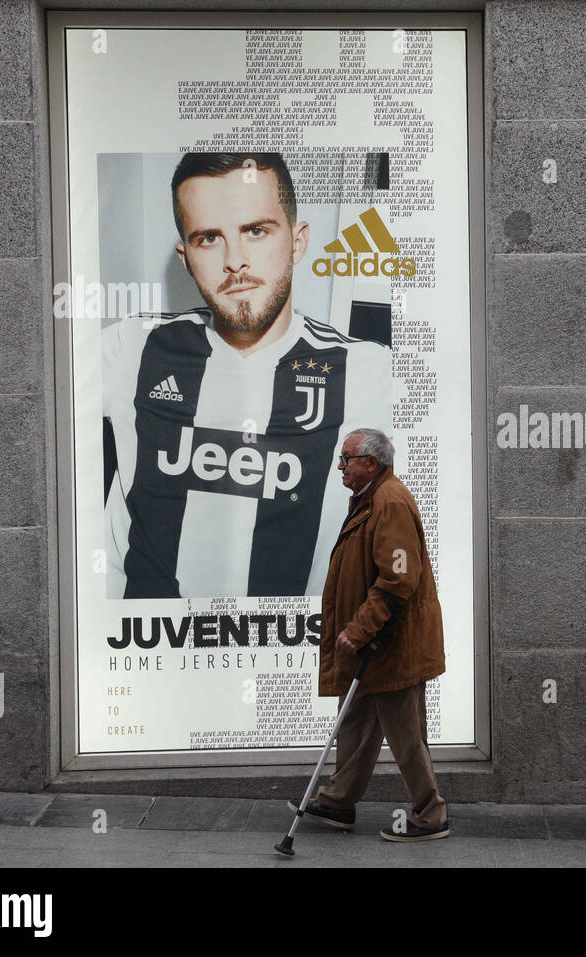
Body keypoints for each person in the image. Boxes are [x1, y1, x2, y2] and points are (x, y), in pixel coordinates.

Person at [102, 152, 391, 598]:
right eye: (209, 238)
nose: (235, 260)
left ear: (297, 242)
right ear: (185, 257)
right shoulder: (131, 347)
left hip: (293, 653)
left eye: (256, 231)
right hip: (150, 652)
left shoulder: (369, 372)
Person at [290, 428, 449, 842]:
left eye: (346, 458)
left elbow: (398, 578)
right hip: (373, 643)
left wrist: (360, 629)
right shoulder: (369, 500)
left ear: (372, 464)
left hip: (392, 643)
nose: (340, 466)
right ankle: (339, 802)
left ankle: (431, 815)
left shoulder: (389, 502)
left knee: (406, 733)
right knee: (357, 722)